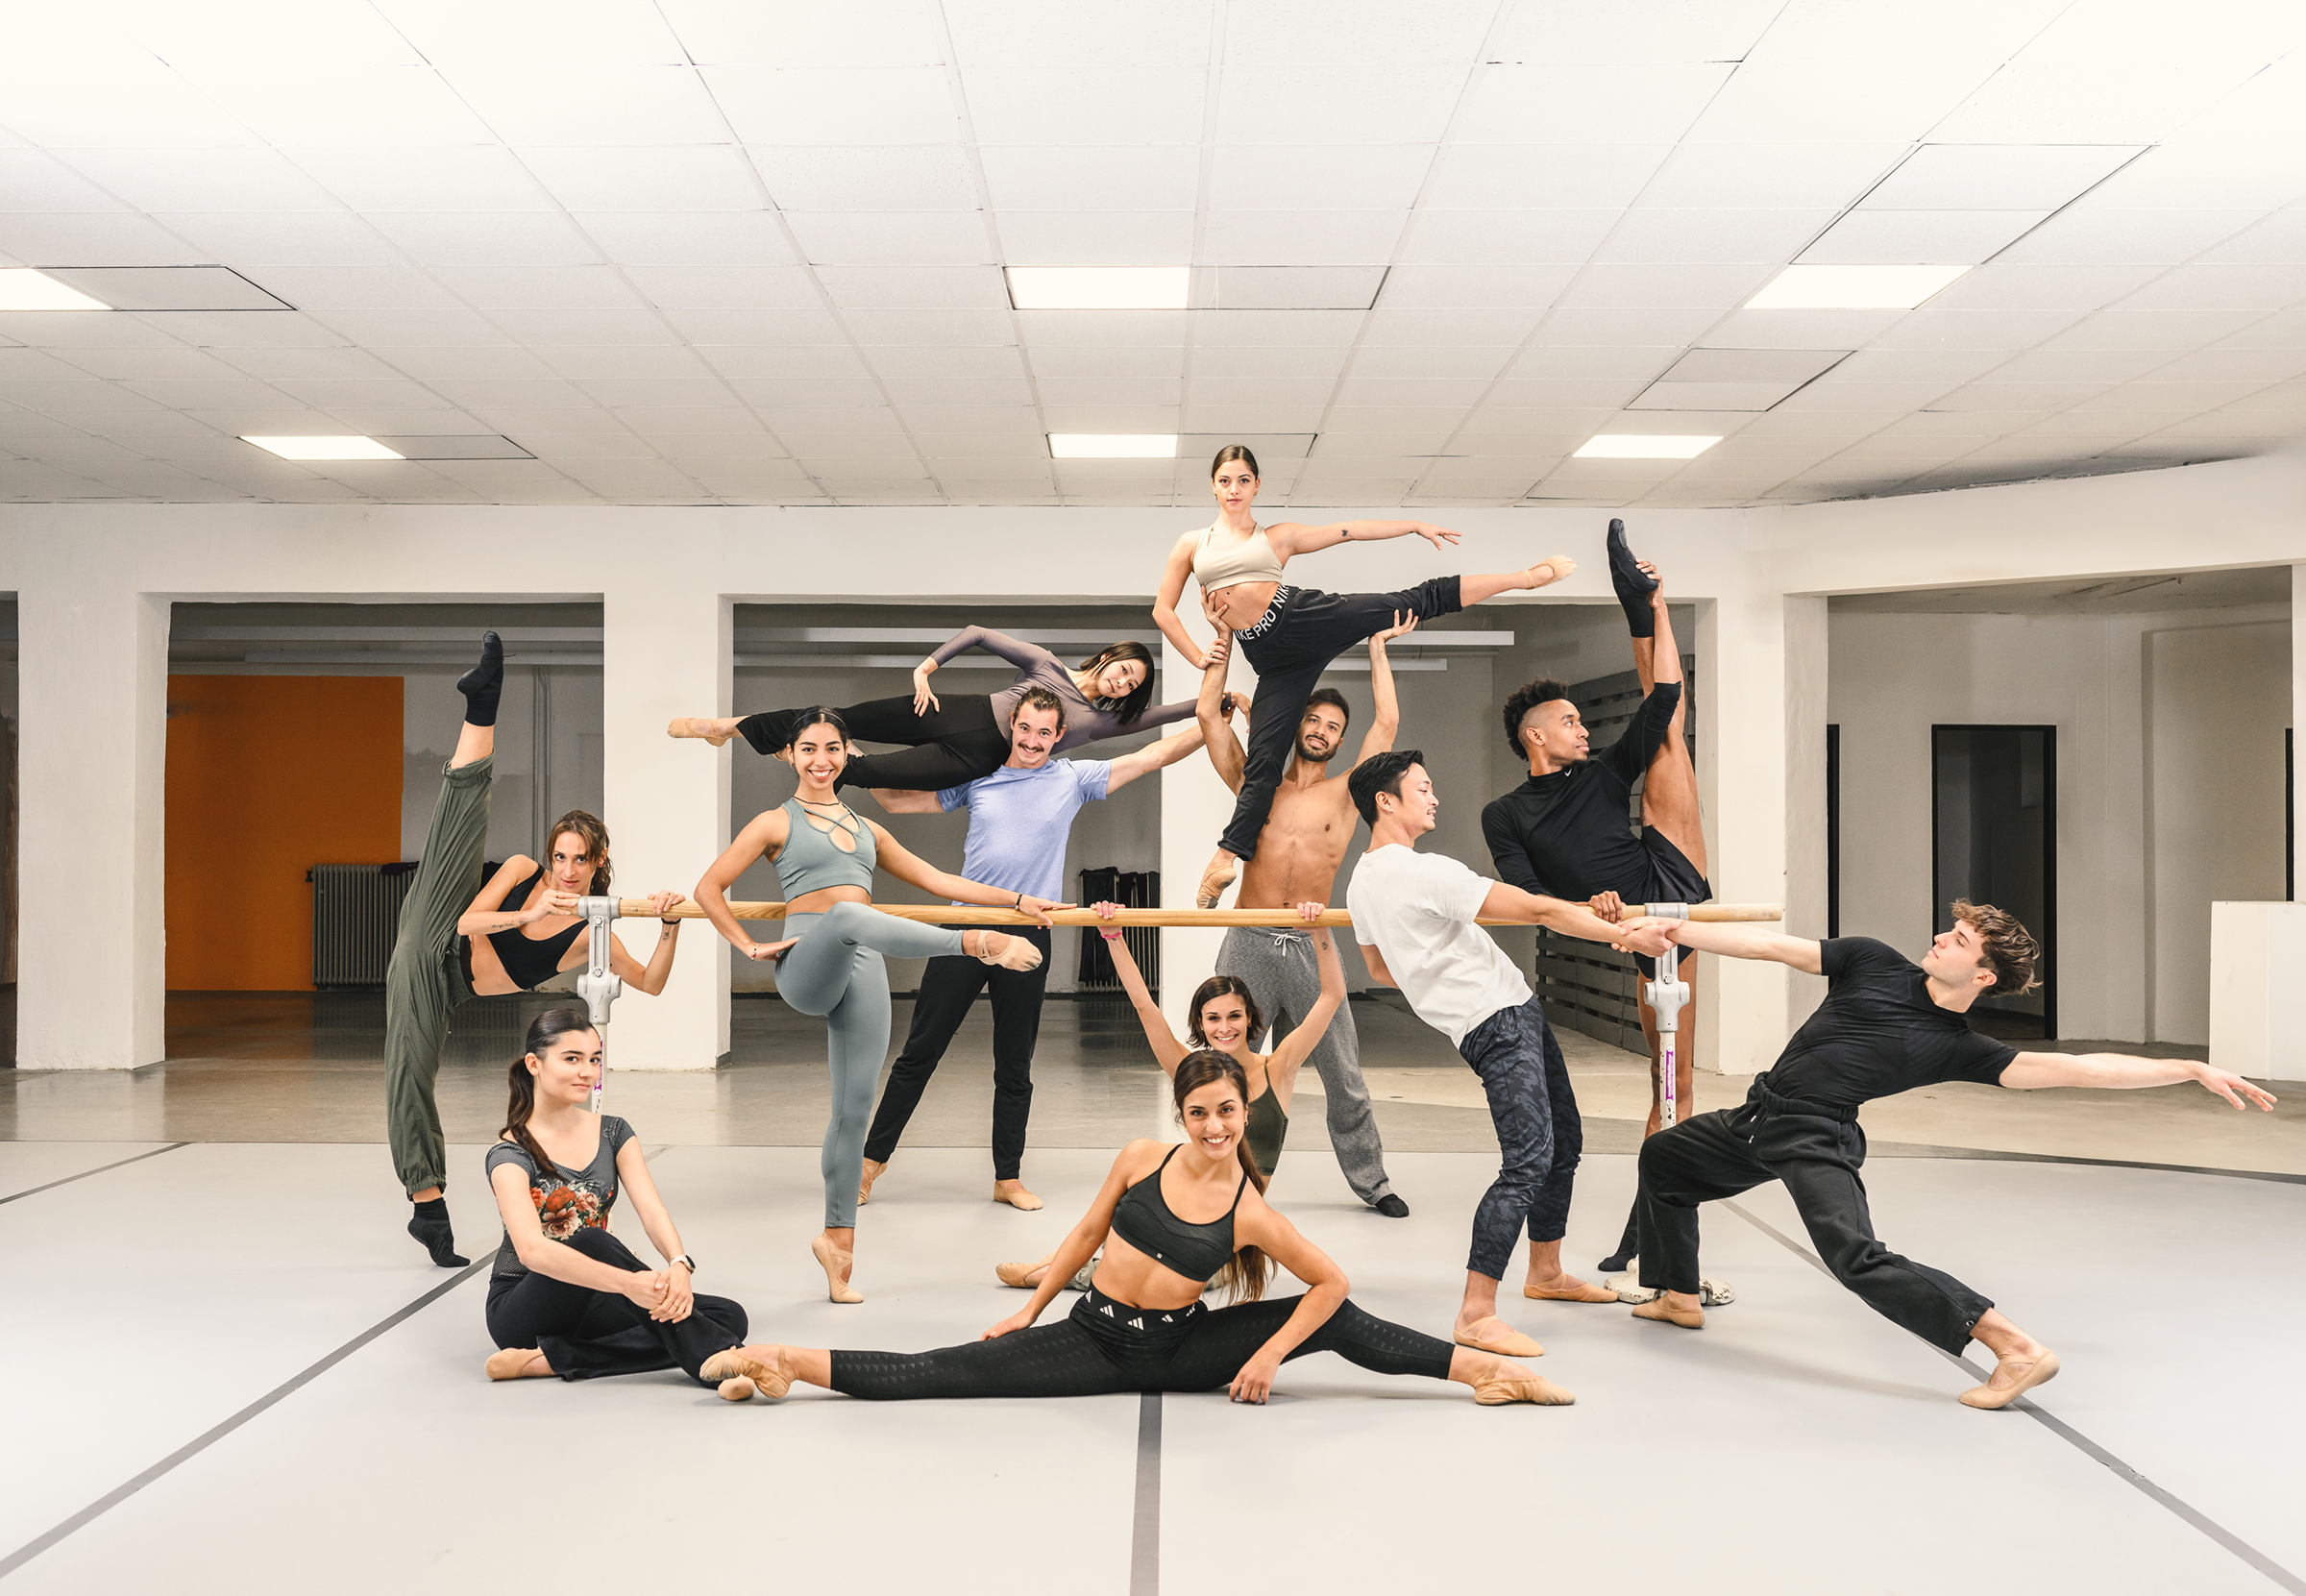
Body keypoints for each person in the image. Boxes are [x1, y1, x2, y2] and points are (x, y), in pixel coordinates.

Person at [1611, 901, 2277, 1408]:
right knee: (1666, 1158)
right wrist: (1673, 930)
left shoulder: (1962, 1048)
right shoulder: (1871, 960)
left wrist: (2186, 1068)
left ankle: (2015, 1347)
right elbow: (1767, 945)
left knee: (1856, 1257)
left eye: (1958, 939)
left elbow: (2083, 1067)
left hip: (1815, 1135)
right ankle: (1678, 1293)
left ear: (1983, 975)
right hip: (1759, 1116)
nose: (1939, 937)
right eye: (1949, 929)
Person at [698, 1051, 1572, 1409]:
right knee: (947, 1368)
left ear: (1244, 1110)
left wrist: (1269, 1353)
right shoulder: (1140, 1158)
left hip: (1181, 1348)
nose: (1215, 1125)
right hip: (1093, 1338)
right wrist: (1030, 1308)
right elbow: (1082, 1237)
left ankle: (1486, 1373)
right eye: (1199, 1112)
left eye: (1227, 1110)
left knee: (1337, 1320)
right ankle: (786, 1361)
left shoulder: (1251, 1210)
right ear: (1180, 1114)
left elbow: (1333, 1283)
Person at [694, 706, 1062, 1305]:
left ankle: (837, 1246)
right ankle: (973, 943)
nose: (821, 760)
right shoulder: (773, 823)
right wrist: (747, 945)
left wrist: (1019, 900)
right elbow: (708, 888)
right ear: (789, 755)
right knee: (846, 914)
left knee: (852, 1112)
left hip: (862, 964)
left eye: (832, 749)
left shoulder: (868, 830)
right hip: (808, 962)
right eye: (808, 749)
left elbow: (941, 882)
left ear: (847, 756)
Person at [1344, 750, 1675, 1361]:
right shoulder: (1423, 872)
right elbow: (1541, 909)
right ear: (1385, 802)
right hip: (1495, 1019)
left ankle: (1545, 1272)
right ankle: (1476, 1313)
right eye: (1423, 788)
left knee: (1564, 1140)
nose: (1434, 797)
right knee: (1528, 1160)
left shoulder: (1361, 883)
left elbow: (1380, 968)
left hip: (1509, 1009)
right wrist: (1625, 935)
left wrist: (1438, 978)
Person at [1151, 443, 1577, 910]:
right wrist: (1199, 656)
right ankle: (1226, 856)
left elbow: (1348, 532)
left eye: (1243, 480)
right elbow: (1163, 610)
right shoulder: (1192, 544)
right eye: (1225, 480)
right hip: (1273, 659)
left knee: (1410, 602)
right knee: (1263, 762)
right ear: (1213, 486)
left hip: (1302, 618)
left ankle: (1522, 578)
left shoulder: (1277, 538)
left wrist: (1412, 525)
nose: (1234, 489)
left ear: (1256, 486)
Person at [390, 630, 689, 1269]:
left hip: (449, 986)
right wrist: (529, 910)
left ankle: (425, 1208)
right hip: (435, 933)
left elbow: (651, 983)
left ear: (598, 862)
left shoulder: (590, 930)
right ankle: (483, 705)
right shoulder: (527, 872)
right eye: (560, 856)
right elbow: (467, 921)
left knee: (415, 1071)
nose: (566, 870)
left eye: (579, 860)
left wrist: (670, 925)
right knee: (457, 828)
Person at [855, 686, 1214, 1211]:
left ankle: (1007, 1178)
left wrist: (1210, 719)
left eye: (1044, 732)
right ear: (1012, 727)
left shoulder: (1072, 779)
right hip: (967, 927)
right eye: (1024, 728)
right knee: (919, 1053)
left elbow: (1151, 756)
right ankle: (870, 1164)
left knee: (1014, 1064)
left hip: (1030, 930)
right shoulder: (979, 775)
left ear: (1058, 735)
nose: (1032, 740)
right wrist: (848, 756)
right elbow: (897, 800)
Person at [1483, 520, 1710, 1277]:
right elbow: (1528, 897)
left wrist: (1664, 608)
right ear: (1535, 737)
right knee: (1663, 1077)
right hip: (1633, 930)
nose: (1584, 728)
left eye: (1584, 720)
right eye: (1571, 721)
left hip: (1670, 879)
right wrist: (1596, 917)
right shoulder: (1505, 814)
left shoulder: (1604, 774)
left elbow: (1666, 693)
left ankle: (1638, 600)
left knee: (1668, 727)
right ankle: (1652, 1218)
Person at [991, 899, 1339, 1293]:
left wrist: (1319, 932)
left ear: (1249, 1018)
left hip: (1233, 1217)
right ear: (1201, 1024)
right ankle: (1068, 1259)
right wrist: (1112, 935)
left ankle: (1070, 1269)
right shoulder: (1191, 1070)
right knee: (1142, 1180)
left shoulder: (1279, 1068)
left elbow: (1331, 996)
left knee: (1188, 1274)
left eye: (1234, 1016)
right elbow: (1144, 1005)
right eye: (1213, 1018)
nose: (1225, 1028)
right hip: (1185, 1195)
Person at [1196, 607, 1418, 1215]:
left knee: (1342, 1071)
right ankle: (1219, 1179)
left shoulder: (1347, 794)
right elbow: (1208, 720)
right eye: (1313, 720)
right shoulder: (1256, 784)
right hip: (1248, 938)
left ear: (1341, 741)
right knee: (1226, 1067)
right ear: (1296, 724)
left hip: (1310, 942)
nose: (1321, 731)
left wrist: (1377, 647)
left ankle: (1373, 1183)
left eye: (1333, 727)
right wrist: (1222, 644)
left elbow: (1388, 723)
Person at [480, 1009, 757, 1397]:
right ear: (534, 1064)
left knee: (727, 1315)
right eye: (572, 1059)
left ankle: (556, 1359)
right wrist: (630, 1284)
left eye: (595, 1060)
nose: (587, 1072)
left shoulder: (613, 1132)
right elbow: (532, 1251)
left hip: (597, 1290)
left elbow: (652, 1210)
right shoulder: (510, 1154)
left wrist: (679, 1264)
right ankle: (720, 1366)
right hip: (526, 1304)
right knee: (594, 1241)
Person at [667, 629, 1205, 796]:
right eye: (1123, 669)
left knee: (866, 772)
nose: (1122, 682)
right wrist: (927, 668)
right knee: (837, 717)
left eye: (1132, 684)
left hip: (975, 759)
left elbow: (1176, 713)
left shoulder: (1108, 721)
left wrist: (1219, 699)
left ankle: (797, 753)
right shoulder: (1046, 664)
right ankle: (729, 727)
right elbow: (977, 633)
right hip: (950, 712)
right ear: (1109, 656)